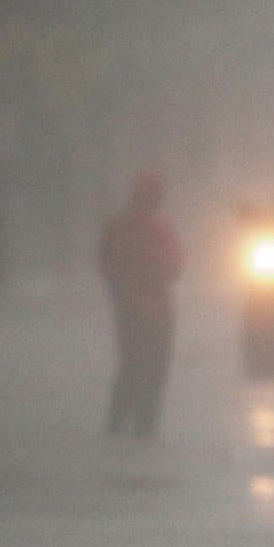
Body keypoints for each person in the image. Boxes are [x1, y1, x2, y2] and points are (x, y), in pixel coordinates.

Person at [97, 171, 182, 439]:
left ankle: (125, 423)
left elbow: (107, 265)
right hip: (148, 310)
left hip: (135, 309)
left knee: (137, 367)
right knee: (146, 368)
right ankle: (141, 425)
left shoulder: (122, 228)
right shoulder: (154, 230)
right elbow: (173, 266)